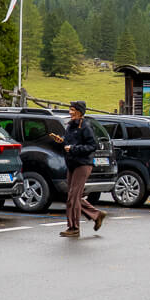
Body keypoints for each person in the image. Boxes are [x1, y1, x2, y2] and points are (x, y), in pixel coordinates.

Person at [50, 99, 106, 238]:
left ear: (80, 112)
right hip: (72, 164)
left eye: (73, 111)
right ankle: (97, 215)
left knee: (73, 198)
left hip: (83, 164)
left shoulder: (85, 126)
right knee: (73, 196)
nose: (70, 113)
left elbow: (92, 146)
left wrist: (73, 148)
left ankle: (74, 228)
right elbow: (69, 142)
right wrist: (61, 141)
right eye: (70, 110)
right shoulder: (70, 126)